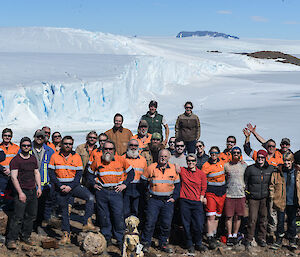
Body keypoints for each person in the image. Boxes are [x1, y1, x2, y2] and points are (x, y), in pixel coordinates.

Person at [49, 136, 97, 245]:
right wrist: (60, 185)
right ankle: (66, 235)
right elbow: (51, 173)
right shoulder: (55, 156)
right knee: (65, 211)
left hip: (73, 186)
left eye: (70, 144)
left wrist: (71, 186)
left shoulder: (76, 157)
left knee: (89, 197)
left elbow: (78, 174)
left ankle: (87, 222)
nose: (67, 146)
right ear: (62, 144)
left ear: (72, 145)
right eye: (65, 143)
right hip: (60, 187)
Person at [88, 140, 134, 248]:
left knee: (118, 216)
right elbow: (89, 174)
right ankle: (106, 238)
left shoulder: (121, 160)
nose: (108, 151)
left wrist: (124, 184)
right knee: (104, 216)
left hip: (116, 192)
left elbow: (131, 173)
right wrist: (93, 184)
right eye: (106, 149)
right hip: (102, 192)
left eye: (110, 149)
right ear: (102, 149)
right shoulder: (97, 160)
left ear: (114, 150)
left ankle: (119, 239)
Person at [243, 128, 283, 240]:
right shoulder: (260, 155)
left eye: (273, 146)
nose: (271, 148)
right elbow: (247, 149)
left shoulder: (279, 155)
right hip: (257, 193)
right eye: (269, 146)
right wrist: (248, 136)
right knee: (254, 217)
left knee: (270, 215)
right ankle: (251, 237)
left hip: (271, 192)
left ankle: (269, 235)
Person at [141, 149, 180, 253]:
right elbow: (143, 181)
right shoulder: (151, 167)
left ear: (169, 157)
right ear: (158, 157)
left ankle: (163, 244)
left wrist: (174, 197)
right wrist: (147, 195)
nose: (163, 158)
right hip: (154, 200)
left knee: (166, 224)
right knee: (150, 222)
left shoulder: (173, 168)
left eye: (165, 156)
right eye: (161, 156)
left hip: (167, 201)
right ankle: (146, 243)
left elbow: (178, 185)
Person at [6, 137, 42, 250]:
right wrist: (20, 193)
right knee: (18, 217)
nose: (26, 147)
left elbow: (36, 173)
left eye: (28, 145)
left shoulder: (32, 159)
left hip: (32, 190)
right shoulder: (16, 160)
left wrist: (39, 187)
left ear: (30, 147)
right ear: (21, 146)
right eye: (24, 145)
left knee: (31, 216)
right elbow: (13, 177)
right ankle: (11, 239)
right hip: (21, 191)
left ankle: (25, 236)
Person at [243, 150, 275, 249]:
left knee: (264, 219)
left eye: (262, 157)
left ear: (265, 158)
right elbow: (245, 182)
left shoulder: (270, 168)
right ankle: (249, 238)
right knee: (252, 219)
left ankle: (261, 238)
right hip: (253, 198)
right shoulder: (250, 169)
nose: (260, 159)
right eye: (259, 157)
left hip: (265, 198)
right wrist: (247, 194)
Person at [270, 152, 298, 250]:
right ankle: (278, 240)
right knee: (280, 222)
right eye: (285, 160)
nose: (286, 163)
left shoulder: (297, 172)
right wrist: (272, 198)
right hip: (280, 201)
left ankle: (292, 240)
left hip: (293, 201)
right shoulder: (278, 172)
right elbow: (272, 185)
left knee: (292, 222)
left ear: (292, 161)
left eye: (289, 161)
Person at [179, 153, 207, 254]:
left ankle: (198, 243)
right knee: (186, 224)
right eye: (189, 161)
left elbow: (204, 187)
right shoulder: (183, 170)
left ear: (196, 162)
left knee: (198, 224)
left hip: (196, 202)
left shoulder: (201, 173)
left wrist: (202, 197)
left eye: (192, 161)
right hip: (185, 200)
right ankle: (189, 243)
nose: (191, 163)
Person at [201, 146, 226, 250]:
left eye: (216, 153)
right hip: (211, 193)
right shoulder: (206, 165)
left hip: (222, 193)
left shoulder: (223, 163)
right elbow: (202, 181)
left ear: (219, 153)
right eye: (212, 153)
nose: (214, 154)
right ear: (209, 153)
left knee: (217, 216)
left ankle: (214, 235)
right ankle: (210, 236)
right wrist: (203, 196)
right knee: (210, 216)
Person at [30, 130, 55, 228]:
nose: (39, 138)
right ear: (34, 137)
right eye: (37, 136)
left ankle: (39, 225)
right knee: (31, 206)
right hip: (30, 183)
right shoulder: (27, 148)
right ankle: (29, 226)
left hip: (45, 184)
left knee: (42, 205)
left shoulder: (49, 150)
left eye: (41, 137)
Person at [224, 146, 247, 246]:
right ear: (232, 154)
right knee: (229, 216)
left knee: (238, 216)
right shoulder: (226, 166)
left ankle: (235, 234)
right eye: (234, 153)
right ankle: (229, 235)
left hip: (240, 194)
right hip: (229, 194)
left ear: (240, 154)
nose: (236, 154)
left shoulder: (244, 165)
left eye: (238, 153)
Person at [123, 139, 147, 218]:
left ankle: (136, 228)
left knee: (137, 209)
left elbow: (145, 175)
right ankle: (126, 227)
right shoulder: (122, 158)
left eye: (135, 146)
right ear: (128, 146)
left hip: (138, 187)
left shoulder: (143, 160)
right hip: (126, 187)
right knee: (125, 210)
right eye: (131, 145)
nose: (133, 147)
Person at [0, 128, 20, 196]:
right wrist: (2, 169)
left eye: (9, 135)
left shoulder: (16, 148)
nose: (7, 137)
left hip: (13, 175)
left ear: (11, 137)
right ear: (2, 136)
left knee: (13, 195)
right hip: (1, 175)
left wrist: (11, 170)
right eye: (5, 135)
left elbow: (19, 161)